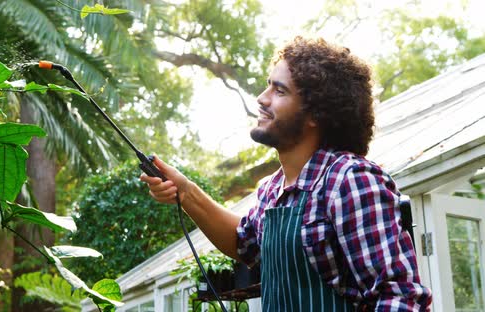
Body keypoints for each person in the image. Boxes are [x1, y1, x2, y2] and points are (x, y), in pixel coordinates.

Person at [140, 36, 432, 311]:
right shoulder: (272, 188)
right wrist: (186, 192)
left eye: (279, 91)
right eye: (268, 86)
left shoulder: (349, 180)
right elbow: (244, 244)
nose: (261, 98)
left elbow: (402, 297)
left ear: (316, 114)